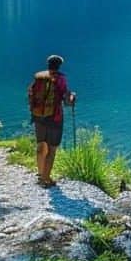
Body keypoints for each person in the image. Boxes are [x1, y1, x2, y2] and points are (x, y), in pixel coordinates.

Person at [28, 54, 76, 188]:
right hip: (55, 117)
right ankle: (46, 179)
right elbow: (66, 101)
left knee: (41, 146)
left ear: (48, 64)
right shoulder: (60, 79)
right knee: (52, 149)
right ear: (59, 65)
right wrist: (72, 97)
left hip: (38, 116)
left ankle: (40, 174)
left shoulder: (39, 77)